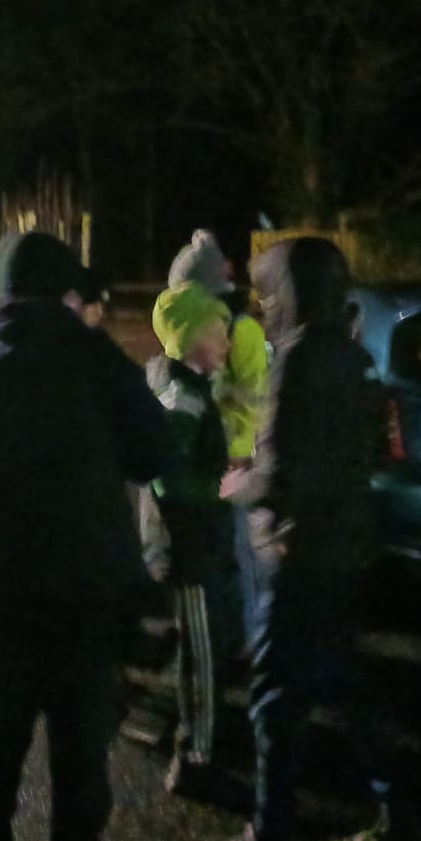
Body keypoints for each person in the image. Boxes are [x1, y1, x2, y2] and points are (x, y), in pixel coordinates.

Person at [0, 232, 175, 841]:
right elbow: (154, 451)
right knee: (79, 754)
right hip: (89, 590)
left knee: (0, 745)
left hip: (5, 587)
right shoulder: (99, 361)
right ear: (65, 290)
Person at [186, 237, 395, 841]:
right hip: (347, 547)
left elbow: (275, 474)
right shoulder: (355, 357)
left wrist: (237, 485)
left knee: (274, 698)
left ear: (291, 292)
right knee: (345, 682)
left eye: (269, 293)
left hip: (296, 550)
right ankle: (398, 815)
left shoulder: (297, 360)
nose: (264, 305)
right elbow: (373, 451)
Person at [137, 281, 235, 798]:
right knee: (201, 655)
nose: (227, 340)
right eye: (217, 331)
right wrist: (225, 486)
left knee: (205, 646)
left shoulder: (186, 385)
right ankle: (195, 758)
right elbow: (168, 479)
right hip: (188, 548)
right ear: (190, 338)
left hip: (193, 542)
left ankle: (196, 740)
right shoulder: (182, 396)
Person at [168, 228, 268, 653]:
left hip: (235, 465)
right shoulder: (206, 332)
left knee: (240, 559)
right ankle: (233, 639)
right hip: (219, 464)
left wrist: (239, 455)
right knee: (226, 559)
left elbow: (251, 400)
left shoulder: (239, 332)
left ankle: (245, 642)